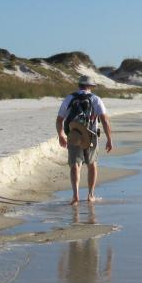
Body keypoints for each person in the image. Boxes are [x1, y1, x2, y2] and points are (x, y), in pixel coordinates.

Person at [56, 75, 113, 205]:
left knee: (75, 165)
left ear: (79, 85)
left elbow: (59, 119)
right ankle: (90, 195)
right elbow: (105, 120)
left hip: (74, 135)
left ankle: (75, 196)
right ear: (91, 87)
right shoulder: (96, 99)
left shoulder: (69, 98)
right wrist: (109, 139)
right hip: (91, 136)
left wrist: (61, 135)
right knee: (92, 164)